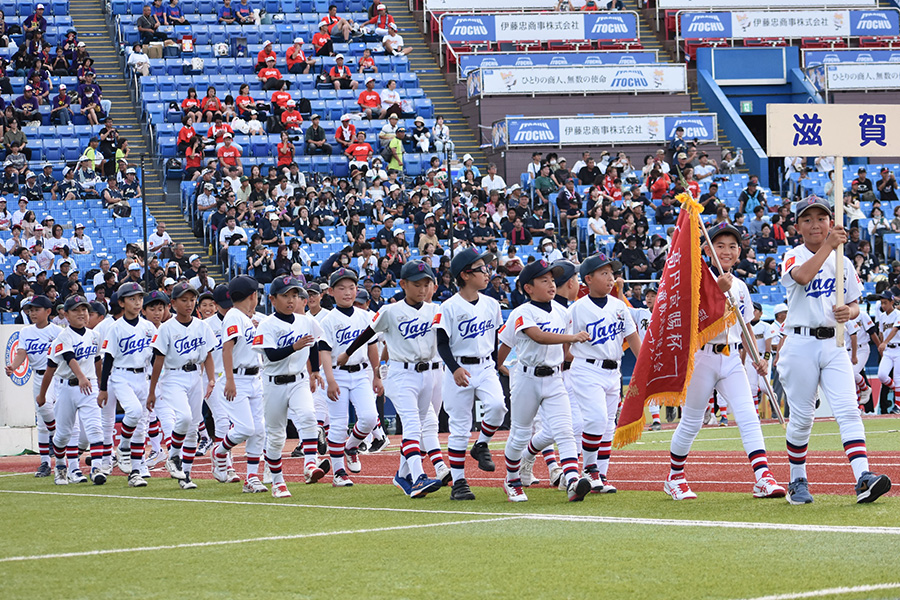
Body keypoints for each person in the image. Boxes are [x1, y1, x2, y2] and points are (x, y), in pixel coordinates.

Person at [776, 196, 892, 503]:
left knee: (849, 410)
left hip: (834, 343)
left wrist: (850, 313)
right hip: (800, 341)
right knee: (802, 419)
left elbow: (855, 303)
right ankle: (797, 480)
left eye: (821, 218)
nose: (815, 224)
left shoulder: (843, 261)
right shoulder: (793, 255)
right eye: (808, 219)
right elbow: (801, 276)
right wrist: (830, 245)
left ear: (830, 221)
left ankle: (863, 477)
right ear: (798, 226)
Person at [663, 222, 785, 501]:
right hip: (702, 356)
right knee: (693, 421)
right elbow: (689, 319)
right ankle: (675, 476)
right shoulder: (695, 278)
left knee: (748, 416)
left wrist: (759, 358)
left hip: (732, 357)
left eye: (732, 246)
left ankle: (762, 476)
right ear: (707, 249)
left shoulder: (741, 286)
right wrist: (716, 290)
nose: (726, 251)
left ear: (739, 252)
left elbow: (746, 327)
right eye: (719, 245)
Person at [337, 260, 445, 497]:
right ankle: (418, 478)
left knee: (421, 424)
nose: (422, 289)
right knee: (413, 424)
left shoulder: (435, 310)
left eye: (427, 284)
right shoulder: (390, 311)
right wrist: (347, 352)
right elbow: (369, 333)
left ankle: (403, 475)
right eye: (417, 284)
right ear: (403, 284)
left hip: (428, 374)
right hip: (400, 372)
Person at [491, 260, 592, 502]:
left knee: (565, 430)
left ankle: (572, 479)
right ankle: (512, 480)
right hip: (527, 378)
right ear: (528, 288)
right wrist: (497, 366)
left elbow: (565, 349)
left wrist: (575, 353)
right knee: (519, 435)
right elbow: (534, 338)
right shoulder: (521, 312)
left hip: (555, 377)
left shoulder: (561, 311)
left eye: (552, 279)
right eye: (543, 280)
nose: (551, 284)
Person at [433, 248, 508, 500]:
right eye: (481, 269)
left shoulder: (492, 304)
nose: (488, 273)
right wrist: (453, 368)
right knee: (460, 427)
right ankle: (459, 482)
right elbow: (442, 343)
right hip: (459, 367)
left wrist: (499, 364)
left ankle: (481, 444)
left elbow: (496, 339)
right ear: (465, 275)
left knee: (498, 407)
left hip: (486, 365)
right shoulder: (448, 307)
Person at [253, 276, 325, 497]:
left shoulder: (305, 320)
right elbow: (271, 355)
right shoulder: (267, 324)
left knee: (309, 416)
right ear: (273, 299)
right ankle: (277, 481)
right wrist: (294, 346)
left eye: (295, 295)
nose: (291, 300)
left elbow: (313, 345)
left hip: (299, 379)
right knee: (276, 436)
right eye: (285, 295)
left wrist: (314, 371)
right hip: (274, 382)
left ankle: (310, 464)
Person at [318, 268, 384, 486]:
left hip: (361, 373)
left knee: (368, 418)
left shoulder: (365, 316)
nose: (347, 292)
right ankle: (338, 472)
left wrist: (377, 376)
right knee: (338, 423)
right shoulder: (328, 320)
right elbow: (325, 352)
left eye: (352, 287)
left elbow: (373, 347)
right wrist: (330, 379)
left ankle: (351, 446)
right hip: (337, 373)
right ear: (331, 292)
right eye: (341, 288)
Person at [148, 282, 217, 489]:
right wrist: (152, 390)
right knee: (185, 417)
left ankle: (185, 474)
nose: (189, 304)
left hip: (195, 375)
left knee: (194, 427)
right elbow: (158, 360)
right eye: (183, 300)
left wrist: (211, 379)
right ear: (173, 303)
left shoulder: (201, 326)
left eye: (192, 299)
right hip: (173, 377)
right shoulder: (166, 328)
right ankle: (174, 456)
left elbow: (208, 355)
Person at [36, 295, 104, 485]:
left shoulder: (94, 336)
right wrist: (42, 395)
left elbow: (97, 361)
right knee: (64, 433)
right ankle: (60, 466)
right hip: (67, 386)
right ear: (65, 314)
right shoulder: (63, 336)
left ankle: (96, 468)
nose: (81, 314)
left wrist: (101, 386)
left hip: (89, 385)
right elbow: (63, 361)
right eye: (75, 310)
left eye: (84, 309)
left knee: (95, 428)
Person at [96, 282, 156, 487]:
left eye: (139, 298)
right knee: (133, 412)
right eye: (132, 298)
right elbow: (108, 361)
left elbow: (156, 357)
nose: (137, 302)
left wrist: (154, 387)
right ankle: (122, 447)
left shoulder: (148, 326)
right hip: (121, 375)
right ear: (121, 302)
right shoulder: (115, 328)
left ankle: (135, 472)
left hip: (143, 377)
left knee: (140, 428)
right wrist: (103, 389)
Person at [4, 295, 61, 477]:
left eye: (37, 309)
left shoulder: (58, 331)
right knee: (43, 422)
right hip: (38, 376)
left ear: (48, 311)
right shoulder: (26, 332)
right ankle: (45, 462)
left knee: (51, 412)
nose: (33, 313)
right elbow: (22, 353)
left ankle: (61, 454)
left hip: (56, 376)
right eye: (31, 310)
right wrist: (13, 365)